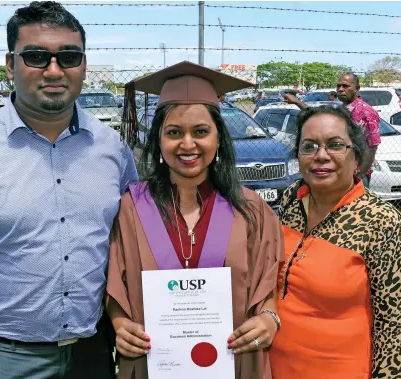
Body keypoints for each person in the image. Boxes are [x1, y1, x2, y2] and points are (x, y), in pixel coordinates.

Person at [0, 2, 137, 379]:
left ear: (83, 63)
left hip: (95, 351)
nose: (53, 70)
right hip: (8, 359)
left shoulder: (112, 149)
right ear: (10, 64)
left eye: (69, 56)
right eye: (35, 56)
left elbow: (130, 248)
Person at [109, 61, 285, 379]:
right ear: (158, 140)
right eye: (174, 132)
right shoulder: (131, 208)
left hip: (233, 362)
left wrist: (270, 319)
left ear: (218, 138)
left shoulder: (251, 209)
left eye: (201, 132)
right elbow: (115, 288)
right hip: (155, 365)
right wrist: (120, 324)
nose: (188, 144)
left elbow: (267, 286)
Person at [269, 105, 401, 379]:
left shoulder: (381, 222)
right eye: (308, 146)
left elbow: (391, 330)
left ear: (356, 155)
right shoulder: (291, 199)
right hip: (275, 368)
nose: (320, 156)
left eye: (335, 145)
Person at [283, 74, 380, 187]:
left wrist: (359, 175)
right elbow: (318, 116)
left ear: (357, 89)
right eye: (338, 86)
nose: (340, 89)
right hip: (339, 173)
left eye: (345, 86)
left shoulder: (366, 112)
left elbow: (372, 146)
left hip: (355, 176)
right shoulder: (342, 108)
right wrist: (297, 102)